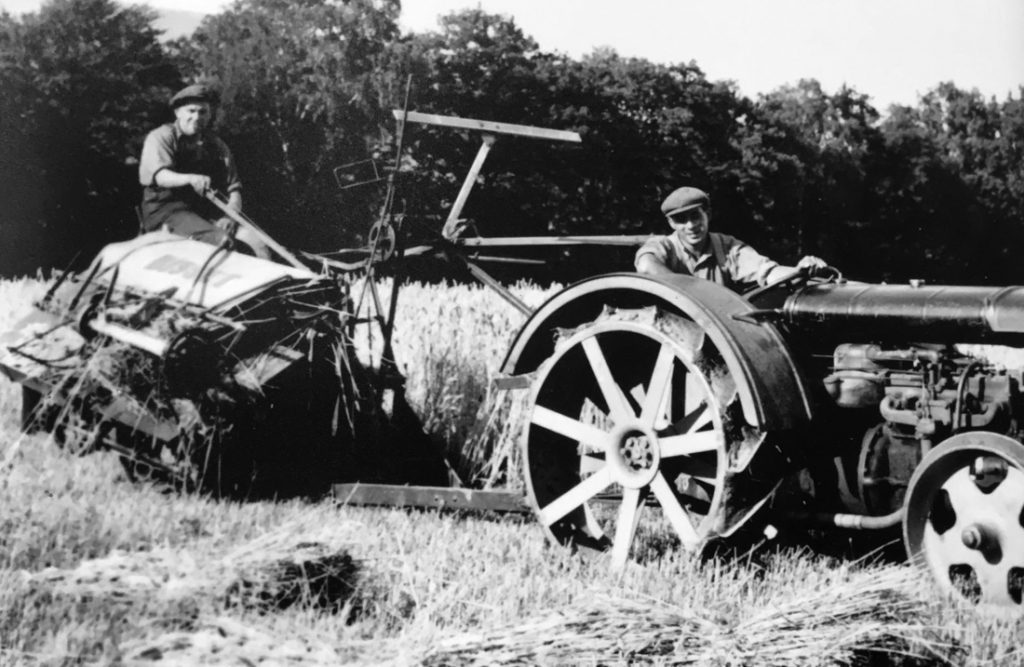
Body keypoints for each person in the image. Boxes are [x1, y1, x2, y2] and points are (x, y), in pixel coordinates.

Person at [138, 83, 269, 258]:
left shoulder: (216, 145)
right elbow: (161, 176)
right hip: (166, 211)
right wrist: (190, 178)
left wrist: (229, 217)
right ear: (178, 112)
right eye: (191, 111)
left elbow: (234, 189)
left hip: (202, 212)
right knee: (220, 240)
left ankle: (269, 285)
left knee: (256, 242)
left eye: (203, 112)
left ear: (209, 115)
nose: (197, 117)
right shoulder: (161, 137)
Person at [634, 186, 828, 292]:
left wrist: (799, 272)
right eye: (681, 220)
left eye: (695, 216)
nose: (691, 226)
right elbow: (646, 264)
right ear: (671, 224)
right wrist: (685, 292)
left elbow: (766, 271)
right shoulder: (665, 245)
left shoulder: (727, 248)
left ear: (707, 214)